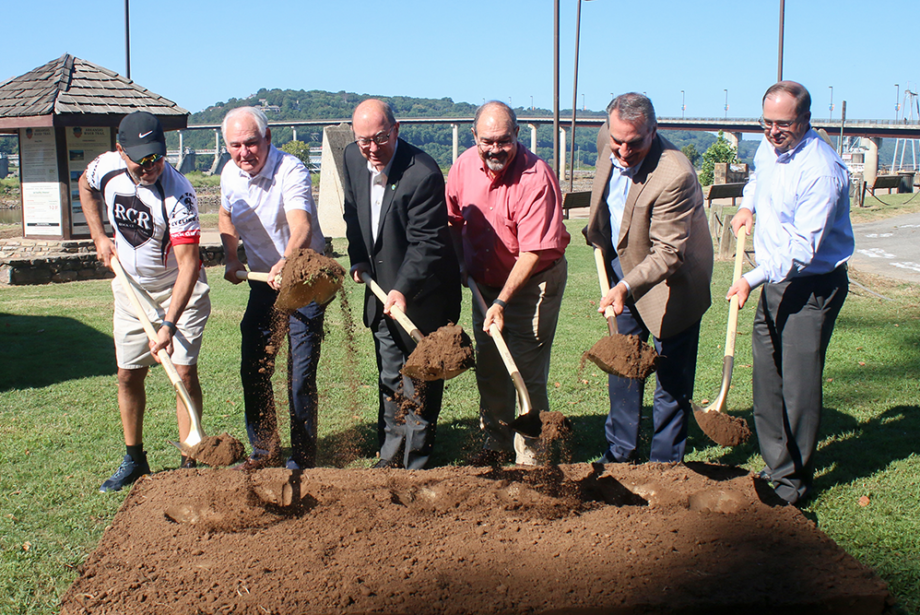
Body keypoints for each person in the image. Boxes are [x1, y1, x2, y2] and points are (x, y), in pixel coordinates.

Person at [728, 81, 853, 505]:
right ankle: (775, 466)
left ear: (805, 120)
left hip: (811, 285)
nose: (773, 132)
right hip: (774, 281)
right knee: (767, 378)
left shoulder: (821, 169)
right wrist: (747, 204)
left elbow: (802, 250)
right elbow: (758, 181)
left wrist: (753, 278)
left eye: (783, 124)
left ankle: (792, 483)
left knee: (799, 388)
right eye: (767, 122)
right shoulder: (769, 148)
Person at [79, 111, 211, 492]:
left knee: (183, 373)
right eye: (142, 159)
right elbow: (84, 186)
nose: (152, 165)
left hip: (178, 291)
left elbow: (189, 266)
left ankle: (191, 459)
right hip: (131, 289)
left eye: (158, 156)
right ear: (121, 152)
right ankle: (135, 459)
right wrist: (99, 237)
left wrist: (169, 325)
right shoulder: (105, 167)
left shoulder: (179, 194)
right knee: (128, 373)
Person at [584, 93, 713, 464]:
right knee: (624, 367)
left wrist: (625, 286)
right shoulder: (608, 138)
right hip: (622, 274)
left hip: (673, 284)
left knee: (670, 381)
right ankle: (619, 455)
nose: (623, 151)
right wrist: (617, 276)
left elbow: (669, 253)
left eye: (635, 143)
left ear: (654, 131)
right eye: (617, 140)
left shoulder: (675, 174)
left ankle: (665, 466)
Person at [446, 101, 570, 466]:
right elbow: (454, 220)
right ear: (474, 137)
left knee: (525, 368)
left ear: (517, 134)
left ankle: (533, 455)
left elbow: (532, 253)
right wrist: (461, 264)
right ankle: (496, 442)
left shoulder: (536, 177)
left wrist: (501, 303)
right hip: (484, 282)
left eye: (504, 140)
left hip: (534, 283)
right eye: (487, 141)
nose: (495, 149)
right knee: (489, 365)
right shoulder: (463, 167)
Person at [342, 99, 461, 469]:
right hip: (381, 295)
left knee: (420, 384)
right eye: (364, 141)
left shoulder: (422, 173)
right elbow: (352, 211)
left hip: (424, 297)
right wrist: (359, 257)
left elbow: (427, 244)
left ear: (396, 129)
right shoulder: (351, 158)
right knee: (391, 377)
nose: (372, 149)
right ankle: (390, 460)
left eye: (380, 138)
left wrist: (402, 289)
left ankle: (417, 464)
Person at [219, 106, 327, 471]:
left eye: (251, 143)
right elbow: (224, 215)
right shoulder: (229, 175)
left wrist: (288, 259)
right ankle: (264, 451)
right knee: (254, 365)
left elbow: (302, 225)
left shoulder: (290, 170)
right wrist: (232, 257)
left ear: (267, 138)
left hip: (304, 278)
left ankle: (302, 457)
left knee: (299, 371)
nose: (243, 152)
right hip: (265, 281)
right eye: (235, 145)